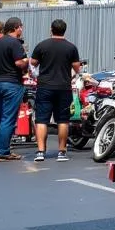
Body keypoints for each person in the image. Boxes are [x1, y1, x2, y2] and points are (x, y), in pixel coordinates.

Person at [29, 19, 82, 163]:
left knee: (41, 120)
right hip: (63, 88)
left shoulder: (42, 45)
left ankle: (40, 152)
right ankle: (62, 152)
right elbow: (77, 68)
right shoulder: (71, 48)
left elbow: (33, 63)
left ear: (51, 29)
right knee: (63, 120)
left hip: (44, 87)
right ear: (65, 30)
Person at [0, 17, 28, 161]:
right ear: (16, 27)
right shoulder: (15, 43)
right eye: (21, 27)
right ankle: (2, 151)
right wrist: (26, 62)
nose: (21, 29)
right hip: (12, 83)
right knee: (8, 119)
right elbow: (19, 63)